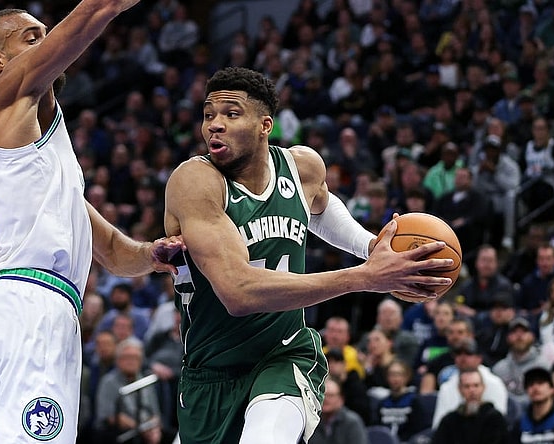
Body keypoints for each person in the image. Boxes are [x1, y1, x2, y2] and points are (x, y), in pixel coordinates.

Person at [163, 67, 454, 443]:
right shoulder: (195, 182)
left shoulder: (302, 167)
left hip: (284, 355)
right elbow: (238, 293)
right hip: (209, 372)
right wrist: (366, 276)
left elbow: (321, 205)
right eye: (208, 115)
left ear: (265, 125)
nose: (214, 125)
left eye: (231, 114)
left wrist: (370, 246)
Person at [0, 4, 183, 443]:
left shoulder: (42, 164)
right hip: (30, 305)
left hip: (22, 305)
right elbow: (91, 12)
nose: (49, 43)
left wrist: (153, 254)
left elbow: (117, 255)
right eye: (32, 37)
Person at [431, 369, 508, 444]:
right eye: (467, 386)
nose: (472, 390)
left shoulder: (495, 418)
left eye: (476, 385)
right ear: (460, 389)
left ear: (483, 387)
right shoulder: (450, 420)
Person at [510, 367, 554, 444]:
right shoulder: (519, 423)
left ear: (552, 389)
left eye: (540, 383)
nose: (535, 388)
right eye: (530, 384)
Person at [308, 378, 369, 444]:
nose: (326, 399)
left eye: (331, 396)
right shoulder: (311, 420)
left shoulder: (352, 422)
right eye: (323, 395)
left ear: (341, 399)